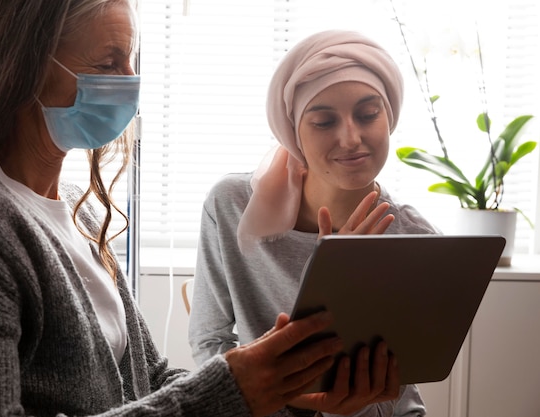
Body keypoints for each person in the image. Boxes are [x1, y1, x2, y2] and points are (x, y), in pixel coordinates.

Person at [0, 2, 402, 416]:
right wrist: (233, 388)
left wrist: (289, 390)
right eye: (108, 64)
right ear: (21, 67)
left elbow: (149, 381)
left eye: (130, 61)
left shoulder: (78, 219)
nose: (131, 82)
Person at [188, 30, 439, 417]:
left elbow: (394, 387)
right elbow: (210, 342)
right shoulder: (232, 205)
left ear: (389, 117)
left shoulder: (413, 236)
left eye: (368, 114)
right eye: (323, 121)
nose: (351, 138)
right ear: (294, 135)